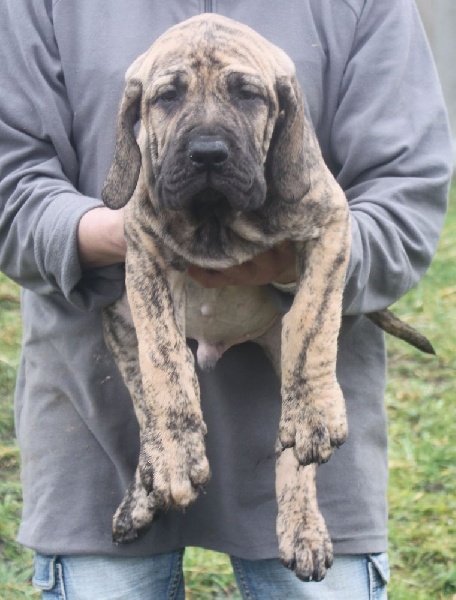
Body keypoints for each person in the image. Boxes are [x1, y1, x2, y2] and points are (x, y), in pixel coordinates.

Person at [0, 1, 452, 598]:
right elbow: (11, 185)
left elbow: (405, 194)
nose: (209, 140)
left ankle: (299, 500)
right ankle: (155, 466)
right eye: (169, 98)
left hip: (312, 447)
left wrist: (291, 255)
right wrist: (128, 235)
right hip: (96, 437)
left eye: (245, 95)